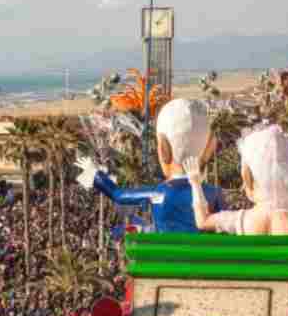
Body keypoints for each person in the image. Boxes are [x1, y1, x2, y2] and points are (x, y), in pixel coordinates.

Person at [77, 98, 227, 233]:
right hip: (203, 262)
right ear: (207, 147)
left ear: (163, 148)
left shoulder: (159, 193)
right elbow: (225, 232)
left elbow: (118, 194)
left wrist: (95, 173)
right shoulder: (214, 194)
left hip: (162, 262)